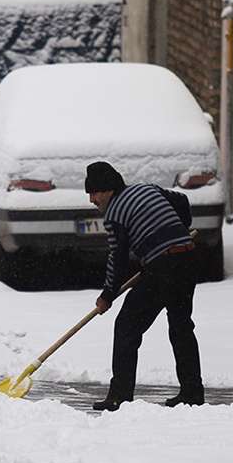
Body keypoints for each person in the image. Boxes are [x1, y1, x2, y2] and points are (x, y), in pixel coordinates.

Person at [85, 161, 204, 411]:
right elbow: (181, 200)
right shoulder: (146, 189)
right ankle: (193, 394)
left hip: (163, 268)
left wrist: (107, 295)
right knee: (181, 328)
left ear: (107, 189)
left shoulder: (114, 214)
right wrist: (178, 231)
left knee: (127, 326)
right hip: (188, 259)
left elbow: (116, 259)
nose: (91, 199)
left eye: (93, 192)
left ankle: (119, 396)